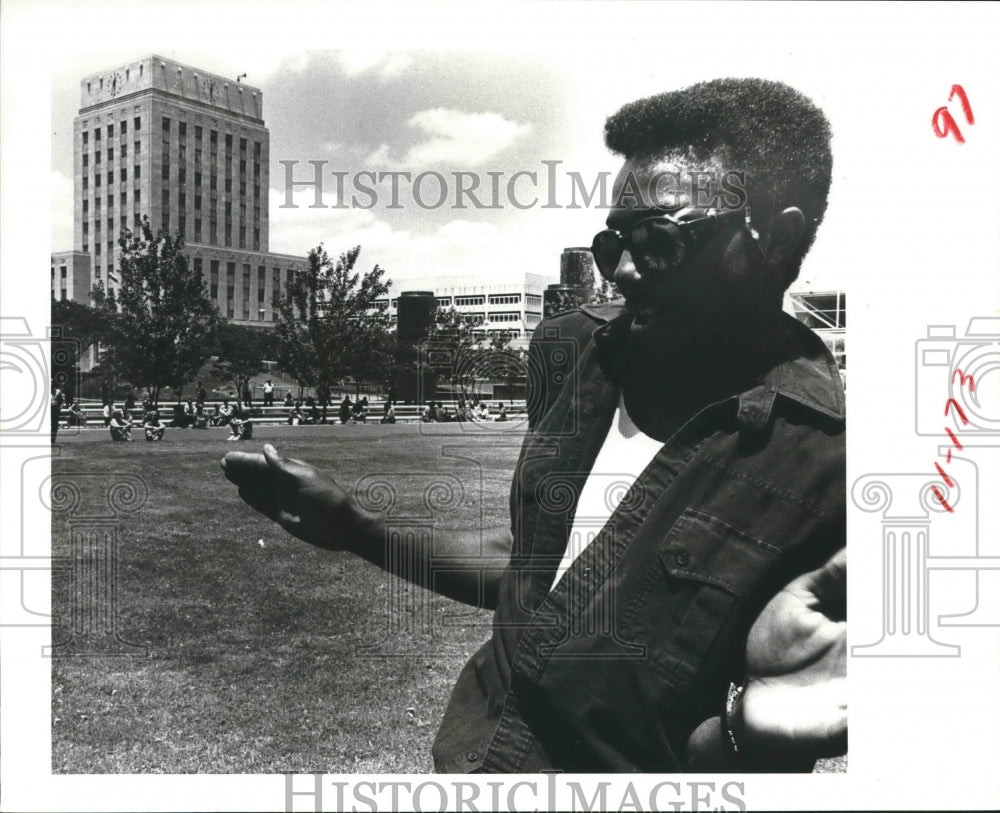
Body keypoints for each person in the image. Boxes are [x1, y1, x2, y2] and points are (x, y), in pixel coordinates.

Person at [222, 78, 845, 773]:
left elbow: (733, 733)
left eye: (662, 241)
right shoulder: (572, 349)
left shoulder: (829, 459)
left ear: (777, 236)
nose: (626, 272)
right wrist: (355, 529)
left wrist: (747, 726)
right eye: (613, 244)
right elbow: (537, 565)